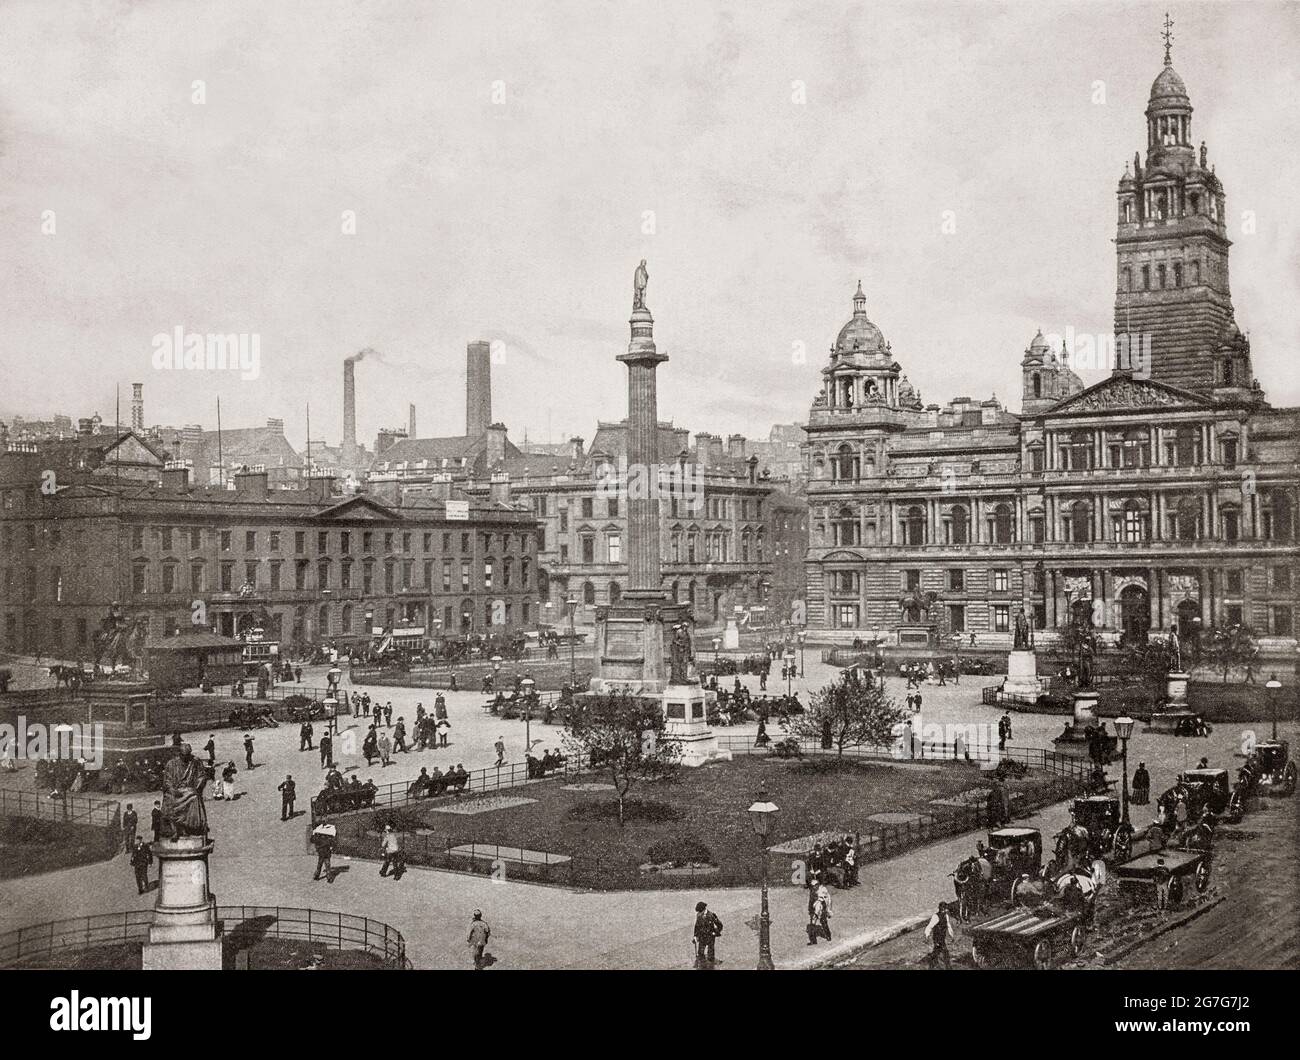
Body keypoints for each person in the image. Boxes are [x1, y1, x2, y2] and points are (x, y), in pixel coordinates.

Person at [925, 901, 954, 969]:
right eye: (945, 908)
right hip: (937, 938)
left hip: (942, 937)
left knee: (937, 952)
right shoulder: (935, 916)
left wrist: (951, 935)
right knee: (944, 952)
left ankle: (932, 965)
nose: (946, 910)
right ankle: (948, 967)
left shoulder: (946, 916)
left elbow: (948, 926)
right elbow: (929, 926)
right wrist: (927, 935)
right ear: (942, 909)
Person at [693, 901, 722, 968]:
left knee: (710, 956)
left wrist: (716, 932)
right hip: (702, 937)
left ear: (704, 909)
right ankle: (702, 967)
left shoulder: (711, 915)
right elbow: (697, 926)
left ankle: (711, 967)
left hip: (710, 937)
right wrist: (695, 936)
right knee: (700, 954)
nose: (699, 913)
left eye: (700, 911)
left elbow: (720, 925)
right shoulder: (699, 915)